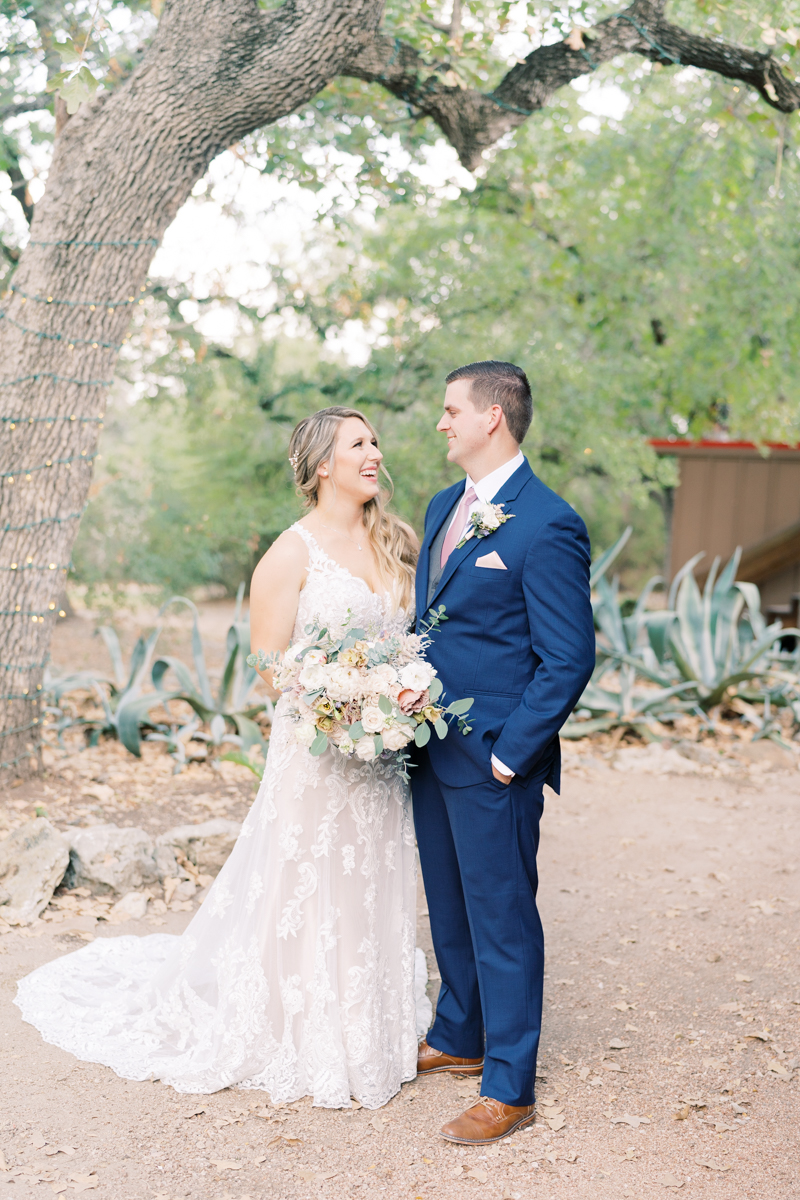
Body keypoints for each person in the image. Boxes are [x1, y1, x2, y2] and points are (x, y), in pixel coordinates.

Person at [15, 405, 431, 1110]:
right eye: (358, 443)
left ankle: (368, 1018)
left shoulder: (398, 541)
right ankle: (300, 1023)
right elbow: (270, 667)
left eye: (375, 442)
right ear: (322, 464)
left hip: (382, 760)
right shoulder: (290, 553)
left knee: (370, 875)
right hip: (320, 752)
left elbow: (416, 642)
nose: (374, 453)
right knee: (307, 878)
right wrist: (345, 704)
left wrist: (393, 702)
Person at [412, 361, 596, 1144]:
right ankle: (459, 1032)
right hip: (426, 747)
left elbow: (569, 656)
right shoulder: (442, 506)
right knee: (450, 907)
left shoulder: (547, 522)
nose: (442, 423)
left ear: (493, 416)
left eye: (452, 410)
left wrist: (509, 755)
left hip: (493, 759)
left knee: (502, 918)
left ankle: (509, 1085)